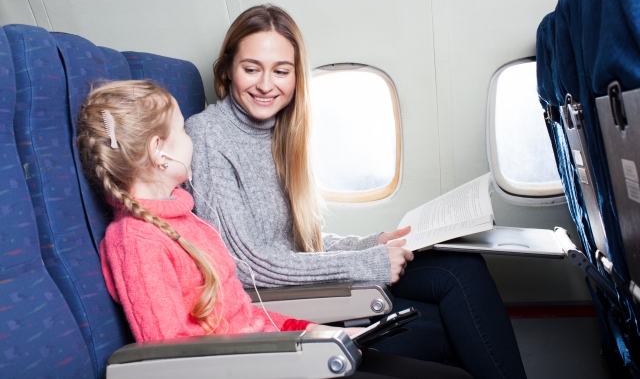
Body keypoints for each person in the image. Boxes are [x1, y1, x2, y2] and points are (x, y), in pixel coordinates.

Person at [186, 4, 528, 379]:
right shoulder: (207, 135)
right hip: (278, 306)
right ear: (227, 69)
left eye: (281, 71)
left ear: (296, 76)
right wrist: (369, 263)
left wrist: (371, 243)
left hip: (303, 285)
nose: (266, 85)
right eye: (251, 69)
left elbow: (302, 244)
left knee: (462, 268)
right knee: (452, 331)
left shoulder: (281, 133)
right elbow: (247, 267)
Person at [76, 79, 472, 379]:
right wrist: (297, 347)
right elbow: (174, 359)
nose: (190, 139)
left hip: (271, 353)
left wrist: (313, 332)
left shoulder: (184, 219)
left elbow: (244, 317)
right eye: (182, 130)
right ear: (159, 152)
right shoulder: (135, 242)